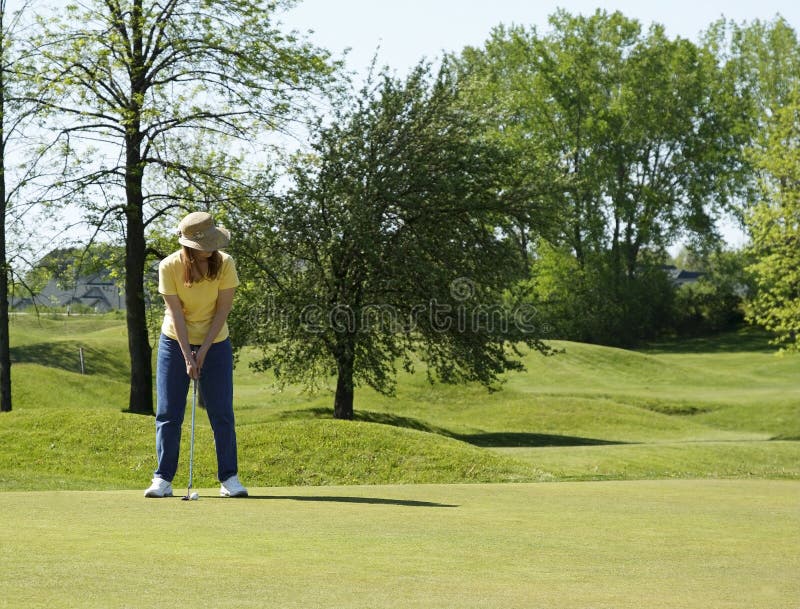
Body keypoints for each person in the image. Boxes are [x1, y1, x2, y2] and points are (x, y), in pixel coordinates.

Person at [144, 211, 248, 498]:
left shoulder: (225, 264)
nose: (211, 250)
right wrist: (188, 356)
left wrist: (202, 351)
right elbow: (175, 312)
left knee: (221, 413)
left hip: (216, 343)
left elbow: (222, 311)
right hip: (174, 341)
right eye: (205, 246)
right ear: (189, 247)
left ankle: (229, 478)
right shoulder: (169, 266)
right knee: (168, 413)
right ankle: (162, 479)